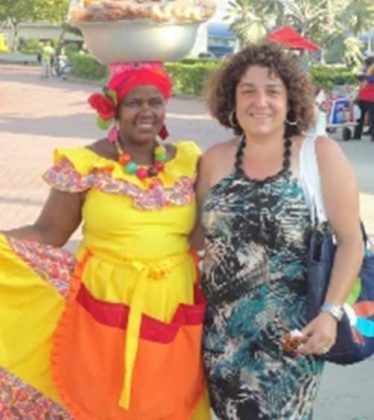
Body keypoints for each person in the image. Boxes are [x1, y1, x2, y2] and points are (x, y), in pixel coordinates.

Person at [0, 62, 210, 419]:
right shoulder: (86, 163)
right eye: (134, 103)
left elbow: (204, 232)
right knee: (103, 401)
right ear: (114, 109)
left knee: (169, 401)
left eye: (155, 101)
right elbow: (49, 232)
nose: (146, 112)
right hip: (103, 300)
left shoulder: (190, 160)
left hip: (172, 299)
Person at [193, 42, 364, 419]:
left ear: (291, 100)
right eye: (248, 90)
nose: (261, 102)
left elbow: (352, 240)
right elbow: (195, 240)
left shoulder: (318, 154)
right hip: (221, 335)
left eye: (273, 91)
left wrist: (330, 313)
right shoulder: (214, 159)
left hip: (291, 338)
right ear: (232, 99)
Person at [353, 64, 374, 141]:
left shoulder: (366, 78)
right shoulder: (367, 78)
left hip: (362, 98)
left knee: (359, 117)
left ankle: (357, 135)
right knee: (372, 118)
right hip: (371, 100)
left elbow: (361, 86)